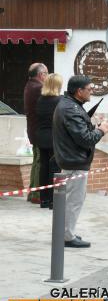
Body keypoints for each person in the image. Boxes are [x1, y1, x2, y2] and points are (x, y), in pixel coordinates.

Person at [52, 75, 108, 248]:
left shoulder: (71, 105)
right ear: (79, 91)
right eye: (89, 89)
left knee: (73, 200)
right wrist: (102, 130)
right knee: (74, 201)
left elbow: (80, 132)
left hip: (72, 159)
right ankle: (66, 236)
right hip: (74, 160)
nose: (92, 92)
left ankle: (66, 232)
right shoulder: (71, 108)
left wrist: (96, 125)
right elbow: (85, 139)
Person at [35, 73, 63, 209]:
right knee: (54, 168)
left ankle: (44, 200)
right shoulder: (59, 100)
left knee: (43, 167)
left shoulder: (40, 99)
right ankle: (53, 200)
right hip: (54, 138)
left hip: (41, 137)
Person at [24, 62, 48, 204]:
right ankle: (36, 194)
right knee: (39, 162)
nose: (47, 76)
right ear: (41, 75)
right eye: (46, 74)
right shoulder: (39, 87)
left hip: (33, 130)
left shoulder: (29, 85)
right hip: (40, 131)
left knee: (36, 161)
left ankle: (32, 191)